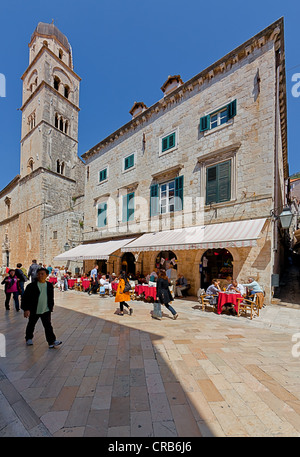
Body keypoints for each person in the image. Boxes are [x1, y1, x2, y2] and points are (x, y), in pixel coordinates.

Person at [21, 268, 62, 348]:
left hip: (45, 309)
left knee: (48, 326)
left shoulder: (49, 285)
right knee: (31, 324)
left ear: (46, 275)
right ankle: (29, 338)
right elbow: (25, 298)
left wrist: (50, 307)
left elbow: (51, 297)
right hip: (34, 309)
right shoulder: (31, 286)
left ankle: (51, 341)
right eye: (39, 274)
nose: (40, 275)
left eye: (42, 274)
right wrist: (26, 309)